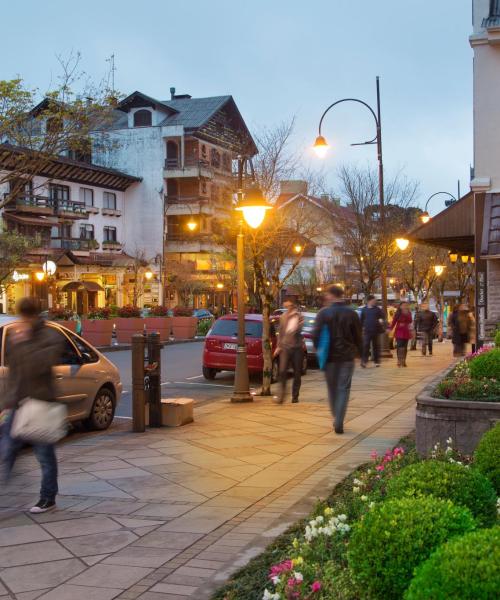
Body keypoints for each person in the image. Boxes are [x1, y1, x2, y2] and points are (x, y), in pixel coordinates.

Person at [0, 298, 64, 513]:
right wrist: (7, 402)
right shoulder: (16, 336)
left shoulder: (50, 336)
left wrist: (25, 342)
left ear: (35, 315)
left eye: (26, 316)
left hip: (41, 403)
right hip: (17, 404)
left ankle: (48, 497)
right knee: (6, 450)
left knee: (45, 455)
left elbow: (39, 366)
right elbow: (14, 371)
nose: (23, 320)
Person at [313, 285, 362, 434]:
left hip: (329, 358)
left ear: (331, 295)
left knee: (332, 388)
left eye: (327, 294)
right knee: (343, 388)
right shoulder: (352, 314)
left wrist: (317, 349)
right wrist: (359, 353)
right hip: (347, 357)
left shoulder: (323, 313)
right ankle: (339, 420)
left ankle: (336, 415)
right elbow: (358, 336)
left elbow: (316, 334)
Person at [274, 297, 304, 404]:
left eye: (289, 306)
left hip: (297, 348)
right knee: (282, 372)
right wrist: (278, 346)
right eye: (286, 306)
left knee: (297, 373)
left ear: (293, 306)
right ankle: (281, 396)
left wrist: (294, 317)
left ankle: (295, 396)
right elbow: (280, 332)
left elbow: (298, 329)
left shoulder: (299, 317)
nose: (287, 308)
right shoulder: (283, 317)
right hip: (285, 348)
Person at [360, 295, 385, 367]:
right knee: (365, 346)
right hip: (367, 331)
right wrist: (361, 328)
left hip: (376, 331)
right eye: (373, 301)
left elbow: (382, 317)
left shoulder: (377, 309)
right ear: (369, 301)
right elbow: (361, 320)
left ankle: (376, 361)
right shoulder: (364, 310)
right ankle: (364, 361)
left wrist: (381, 321)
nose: (375, 302)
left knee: (376, 346)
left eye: (375, 301)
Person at [390, 301, 413, 367]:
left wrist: (406, 314)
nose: (404, 306)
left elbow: (410, 321)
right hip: (399, 332)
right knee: (399, 346)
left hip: (406, 331)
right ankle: (399, 360)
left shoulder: (409, 313)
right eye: (403, 305)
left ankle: (404, 361)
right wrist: (390, 329)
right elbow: (394, 321)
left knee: (405, 347)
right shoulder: (397, 313)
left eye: (406, 305)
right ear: (400, 306)